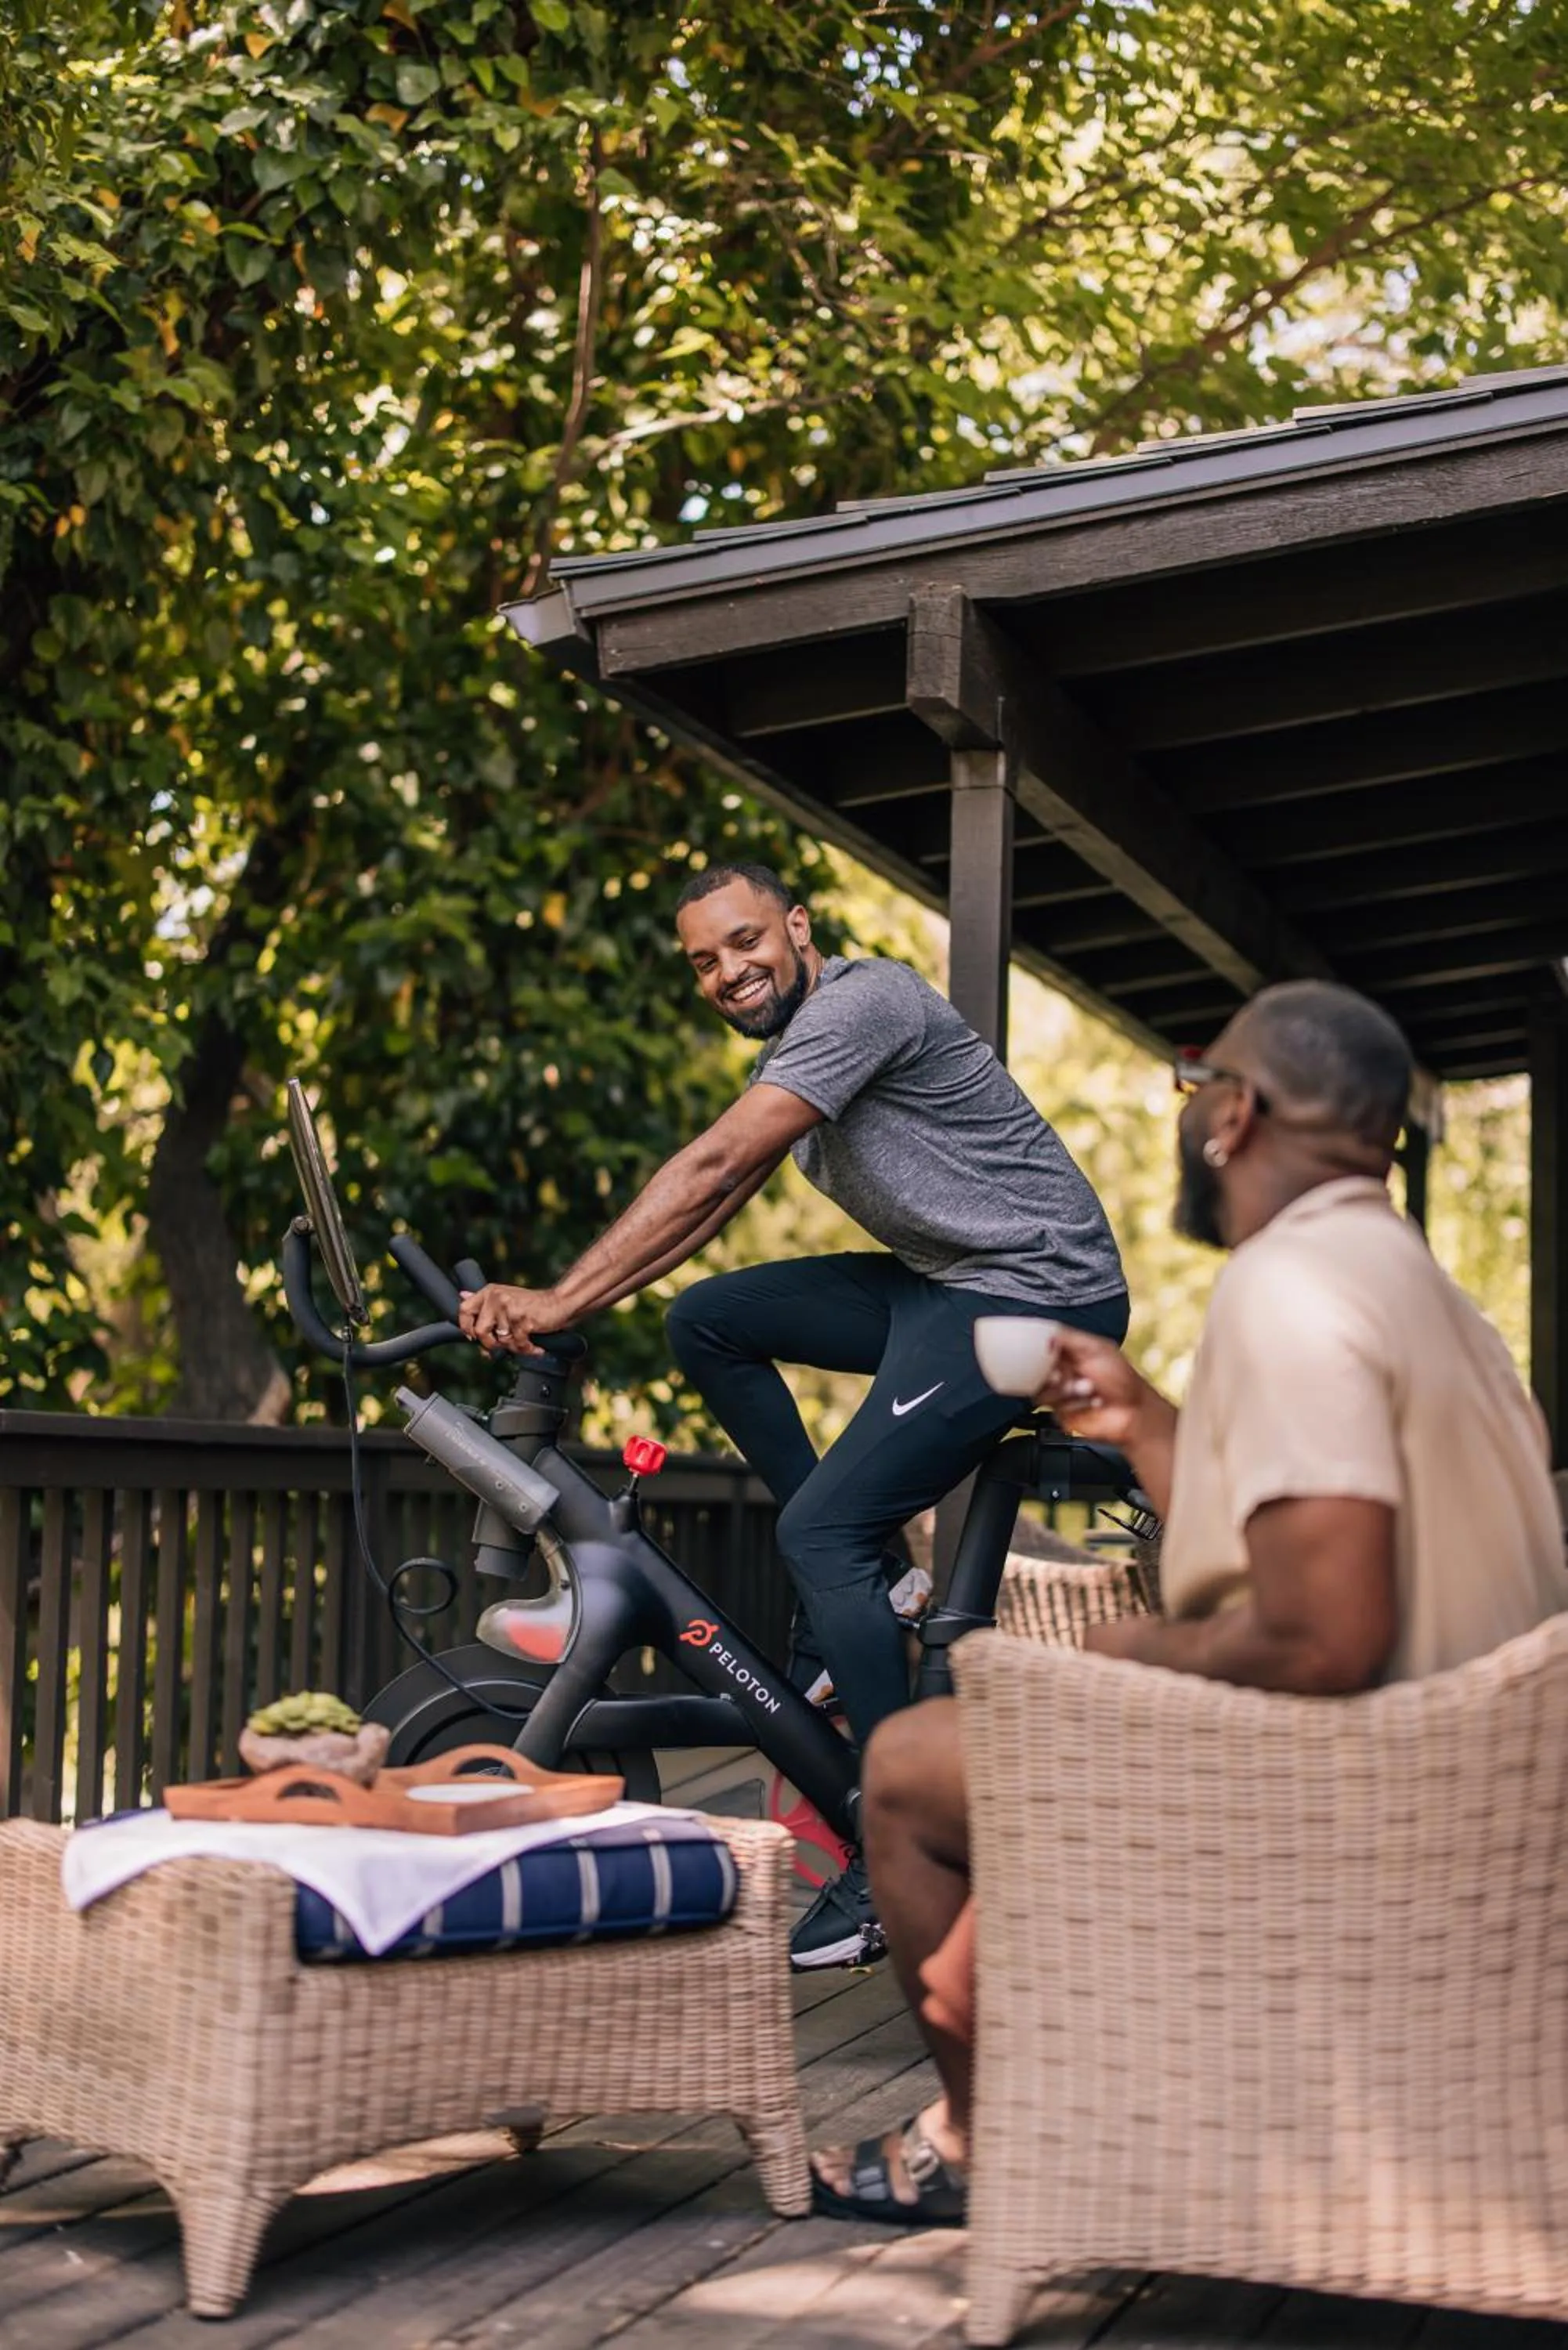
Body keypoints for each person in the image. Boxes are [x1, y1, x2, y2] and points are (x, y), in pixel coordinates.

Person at [811, 978, 1567, 2220]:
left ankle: (988, 2148)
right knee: (1043, 1763)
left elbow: (1324, 1634)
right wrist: (1150, 1426)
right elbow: (1305, 1544)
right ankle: (1039, 2106)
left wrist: (1133, 1651)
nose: (1186, 1112)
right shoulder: (1435, 1302)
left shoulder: (1287, 1290)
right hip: (1467, 1807)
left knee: (907, 1761)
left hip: (1352, 1818)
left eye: (1194, 1082)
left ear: (1236, 1113)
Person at [459, 861, 1129, 1969]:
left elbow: (717, 1157)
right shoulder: (795, 1055)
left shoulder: (861, 1004)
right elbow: (717, 1196)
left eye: (745, 941)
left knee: (817, 1534)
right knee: (708, 1321)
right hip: (951, 1284)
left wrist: (561, 1298)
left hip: (1040, 1293)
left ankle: (892, 1847)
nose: (729, 971)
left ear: (797, 928)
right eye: (705, 962)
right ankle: (871, 1591)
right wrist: (568, 1299)